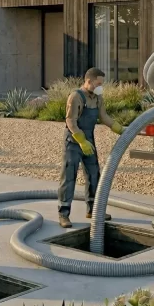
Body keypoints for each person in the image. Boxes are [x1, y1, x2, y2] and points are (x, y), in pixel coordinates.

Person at [57, 67, 124, 228]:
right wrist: (81, 141)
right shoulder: (76, 97)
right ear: (89, 81)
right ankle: (64, 214)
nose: (101, 87)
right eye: (98, 84)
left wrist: (120, 129)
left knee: (94, 174)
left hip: (89, 140)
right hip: (73, 142)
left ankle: (93, 210)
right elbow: (70, 121)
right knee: (69, 176)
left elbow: (104, 116)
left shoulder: (98, 98)